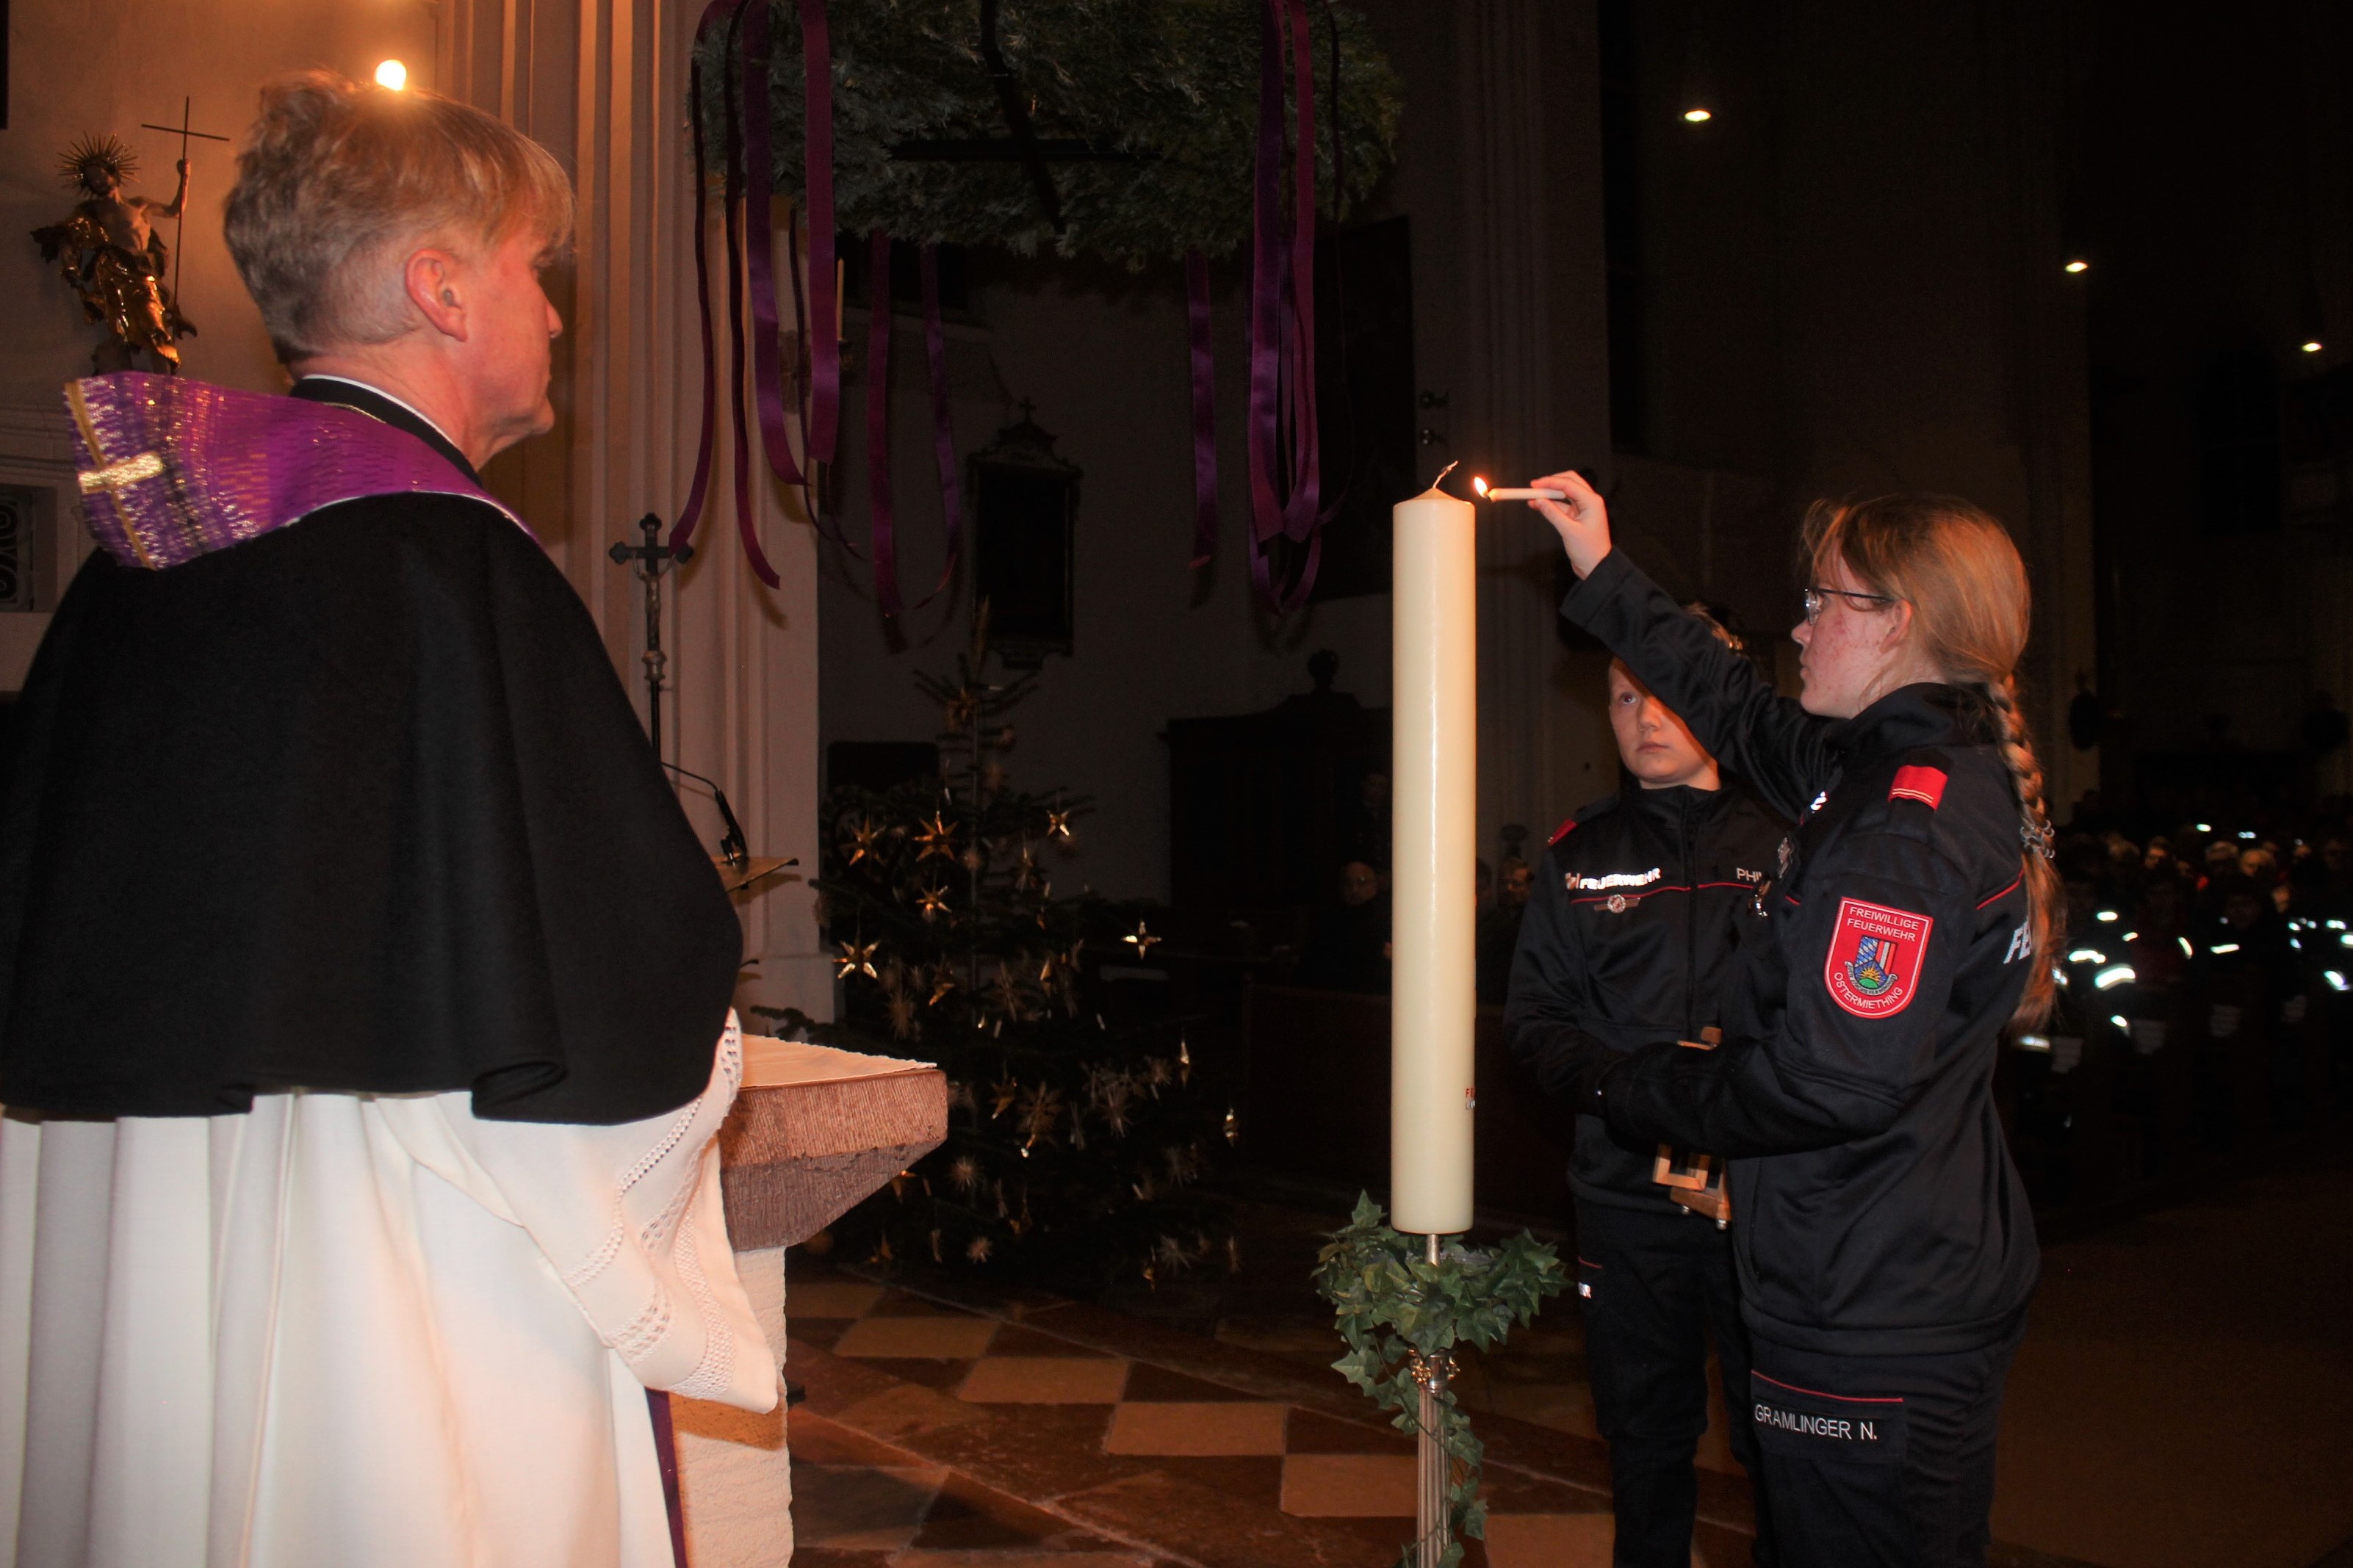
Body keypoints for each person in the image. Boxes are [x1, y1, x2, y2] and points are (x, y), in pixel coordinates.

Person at [0, 73, 774, 1566]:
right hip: (398, 1272)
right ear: (438, 287)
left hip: (134, 1250)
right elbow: (614, 975)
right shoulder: (445, 564)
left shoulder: (140, 562)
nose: (553, 312)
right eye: (531, 272)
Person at [1529, 477, 2055, 1567]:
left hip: (1863, 1286)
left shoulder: (1896, 833)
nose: (1801, 627)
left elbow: (1832, 1082)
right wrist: (1603, 571)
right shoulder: (1902, 771)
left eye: (1822, 602)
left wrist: (1642, 1090)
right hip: (1902, 1257)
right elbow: (1739, 708)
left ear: (1893, 622)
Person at [1505, 618, 1790, 1567]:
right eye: (1625, 697)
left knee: (1779, 1438)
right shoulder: (1582, 853)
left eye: (1665, 693)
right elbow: (1537, 1022)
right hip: (1628, 1192)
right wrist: (1629, 1087)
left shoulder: (1790, 841)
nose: (1645, 716)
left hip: (1766, 1198)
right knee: (1645, 1429)